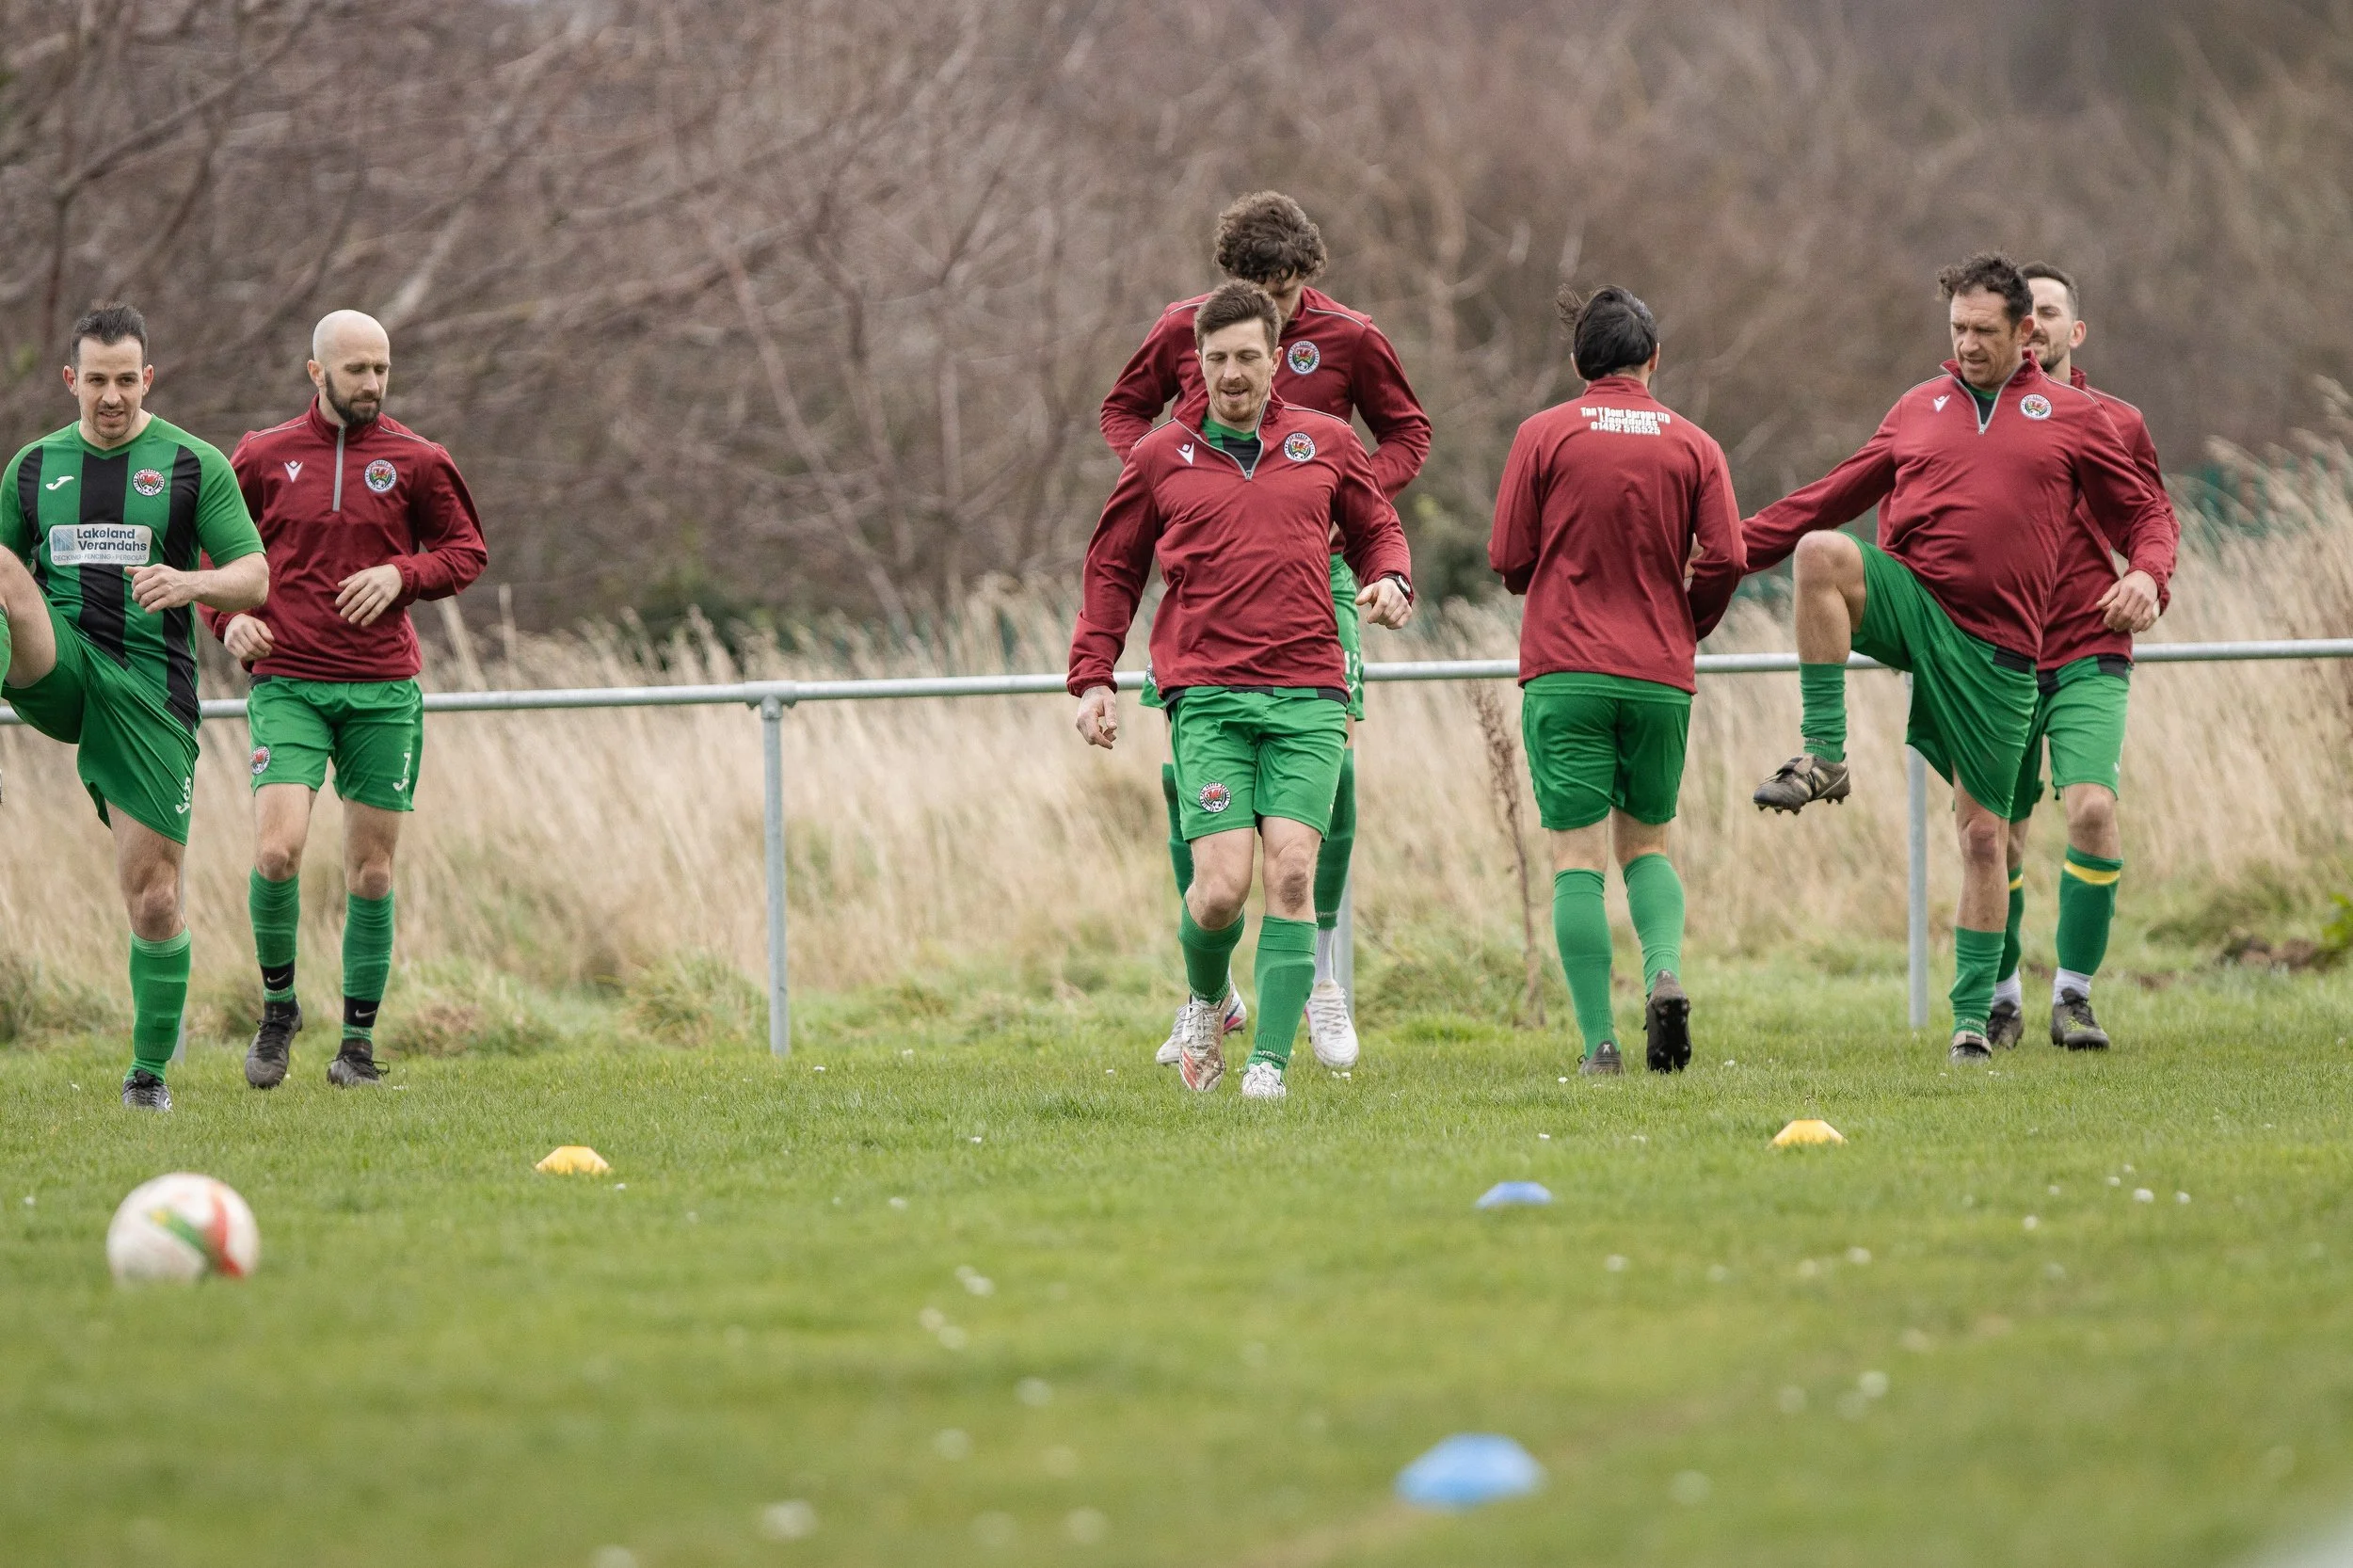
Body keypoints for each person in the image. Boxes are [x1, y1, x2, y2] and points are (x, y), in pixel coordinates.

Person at [1716, 253, 2173, 1063]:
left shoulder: (2075, 416)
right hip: (1923, 611)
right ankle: (1825, 753)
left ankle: (1979, 1019)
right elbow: (1830, 494)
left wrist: (2145, 573)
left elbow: (2147, 516)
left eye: (1982, 331)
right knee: (1822, 550)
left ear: (2026, 331)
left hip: (2005, 655)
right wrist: (1728, 552)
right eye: (1956, 328)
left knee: (1985, 839)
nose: (1964, 344)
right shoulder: (1918, 407)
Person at [1102, 191, 1431, 1072]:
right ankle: (1209, 989)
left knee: (1332, 762)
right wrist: (1179, 477)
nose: (1267, 312)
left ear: (1304, 283)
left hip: (1320, 570)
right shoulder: (1186, 330)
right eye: (1252, 291)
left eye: (1281, 295)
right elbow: (1120, 417)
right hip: (1209, 570)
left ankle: (1319, 973)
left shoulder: (1353, 338)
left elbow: (1406, 432)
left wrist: (1344, 500)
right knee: (1196, 780)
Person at [0, 303, 270, 1110]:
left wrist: (191, 582)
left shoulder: (192, 463)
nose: (110, 396)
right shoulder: (30, 468)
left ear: (146, 378)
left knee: (154, 896)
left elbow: (254, 576)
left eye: (125, 380)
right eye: (95, 380)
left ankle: (148, 1075)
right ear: (70, 380)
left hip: (151, 692)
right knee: (8, 576)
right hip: (66, 660)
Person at [214, 310, 488, 1089]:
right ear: (316, 372)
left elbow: (466, 551)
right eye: (356, 370)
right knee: (277, 850)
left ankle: (357, 1048)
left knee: (371, 872)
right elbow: (210, 553)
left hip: (382, 691)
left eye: (382, 370)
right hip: (289, 680)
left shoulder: (418, 459)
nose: (371, 384)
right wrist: (228, 619)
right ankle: (278, 1012)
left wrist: (403, 574)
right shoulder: (263, 457)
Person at [1488, 287, 1746, 1076]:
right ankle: (1663, 969)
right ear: (1654, 360)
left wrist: (1553, 576)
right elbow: (1730, 556)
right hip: (1659, 674)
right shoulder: (1695, 446)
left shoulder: (1543, 435)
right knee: (1647, 844)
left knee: (1576, 858)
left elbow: (1506, 559)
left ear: (1578, 362)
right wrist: (1686, 620)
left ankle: (1599, 1041)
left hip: (1565, 670)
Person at [1989, 264, 2177, 1050]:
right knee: (1994, 837)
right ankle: (1999, 999)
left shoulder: (2117, 421)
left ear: (2075, 331)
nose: (2038, 323)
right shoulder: (1971, 419)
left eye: (2051, 310)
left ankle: (2073, 997)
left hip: (2087, 643)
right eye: (2024, 313)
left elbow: (2153, 519)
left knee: (2094, 811)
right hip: (1992, 652)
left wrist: (2146, 575)